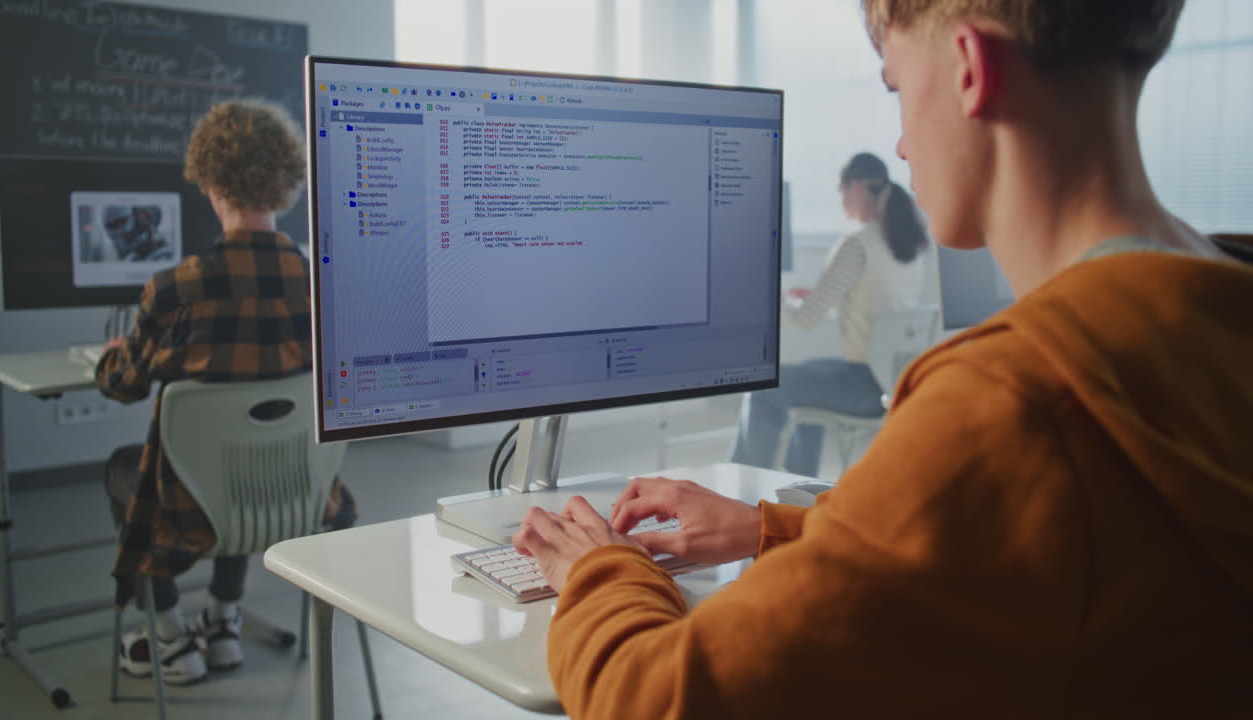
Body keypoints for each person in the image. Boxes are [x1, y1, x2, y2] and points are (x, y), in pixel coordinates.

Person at [510, 0, 1253, 717]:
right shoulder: (1213, 311)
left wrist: (598, 571)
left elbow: (660, 703)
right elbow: (1014, 549)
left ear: (969, 68)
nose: (901, 144)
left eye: (896, 88)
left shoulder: (1013, 405)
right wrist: (774, 532)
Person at [97, 100, 356, 685]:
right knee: (243, 453)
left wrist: (114, 360)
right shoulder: (322, 281)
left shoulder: (175, 288)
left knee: (130, 469)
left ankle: (170, 640)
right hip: (299, 498)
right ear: (285, 181)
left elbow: (124, 387)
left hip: (190, 510)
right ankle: (224, 623)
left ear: (210, 180)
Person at [732, 151, 928, 476]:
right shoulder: (908, 244)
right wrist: (816, 297)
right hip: (896, 383)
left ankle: (741, 486)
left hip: (862, 385)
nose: (839, 198)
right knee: (808, 377)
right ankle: (798, 486)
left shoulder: (855, 244)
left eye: (841, 189)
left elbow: (804, 320)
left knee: (763, 385)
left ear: (857, 188)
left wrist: (777, 299)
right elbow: (877, 306)